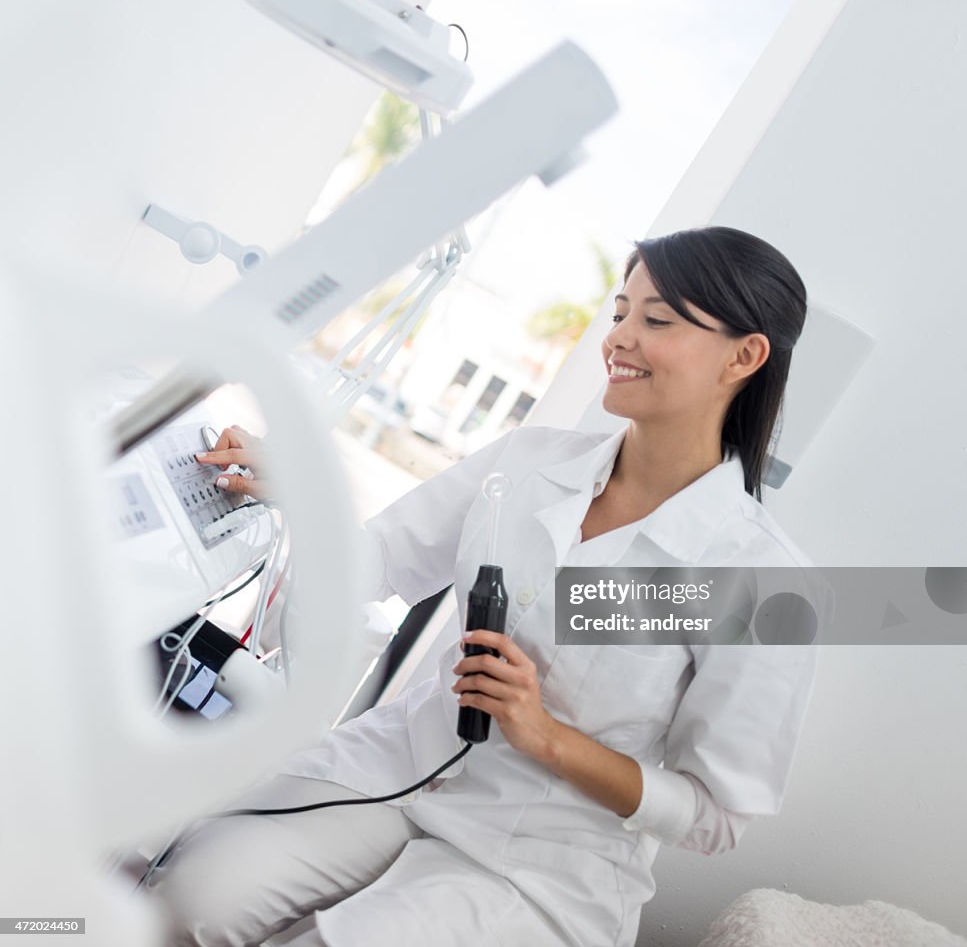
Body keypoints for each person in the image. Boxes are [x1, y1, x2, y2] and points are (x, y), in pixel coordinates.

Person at [151, 226, 825, 947]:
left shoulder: (757, 578)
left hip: (541, 860)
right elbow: (377, 560)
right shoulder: (529, 463)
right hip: (397, 768)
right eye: (620, 312)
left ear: (744, 355)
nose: (620, 338)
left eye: (655, 320)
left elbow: (713, 813)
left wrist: (546, 737)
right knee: (193, 896)